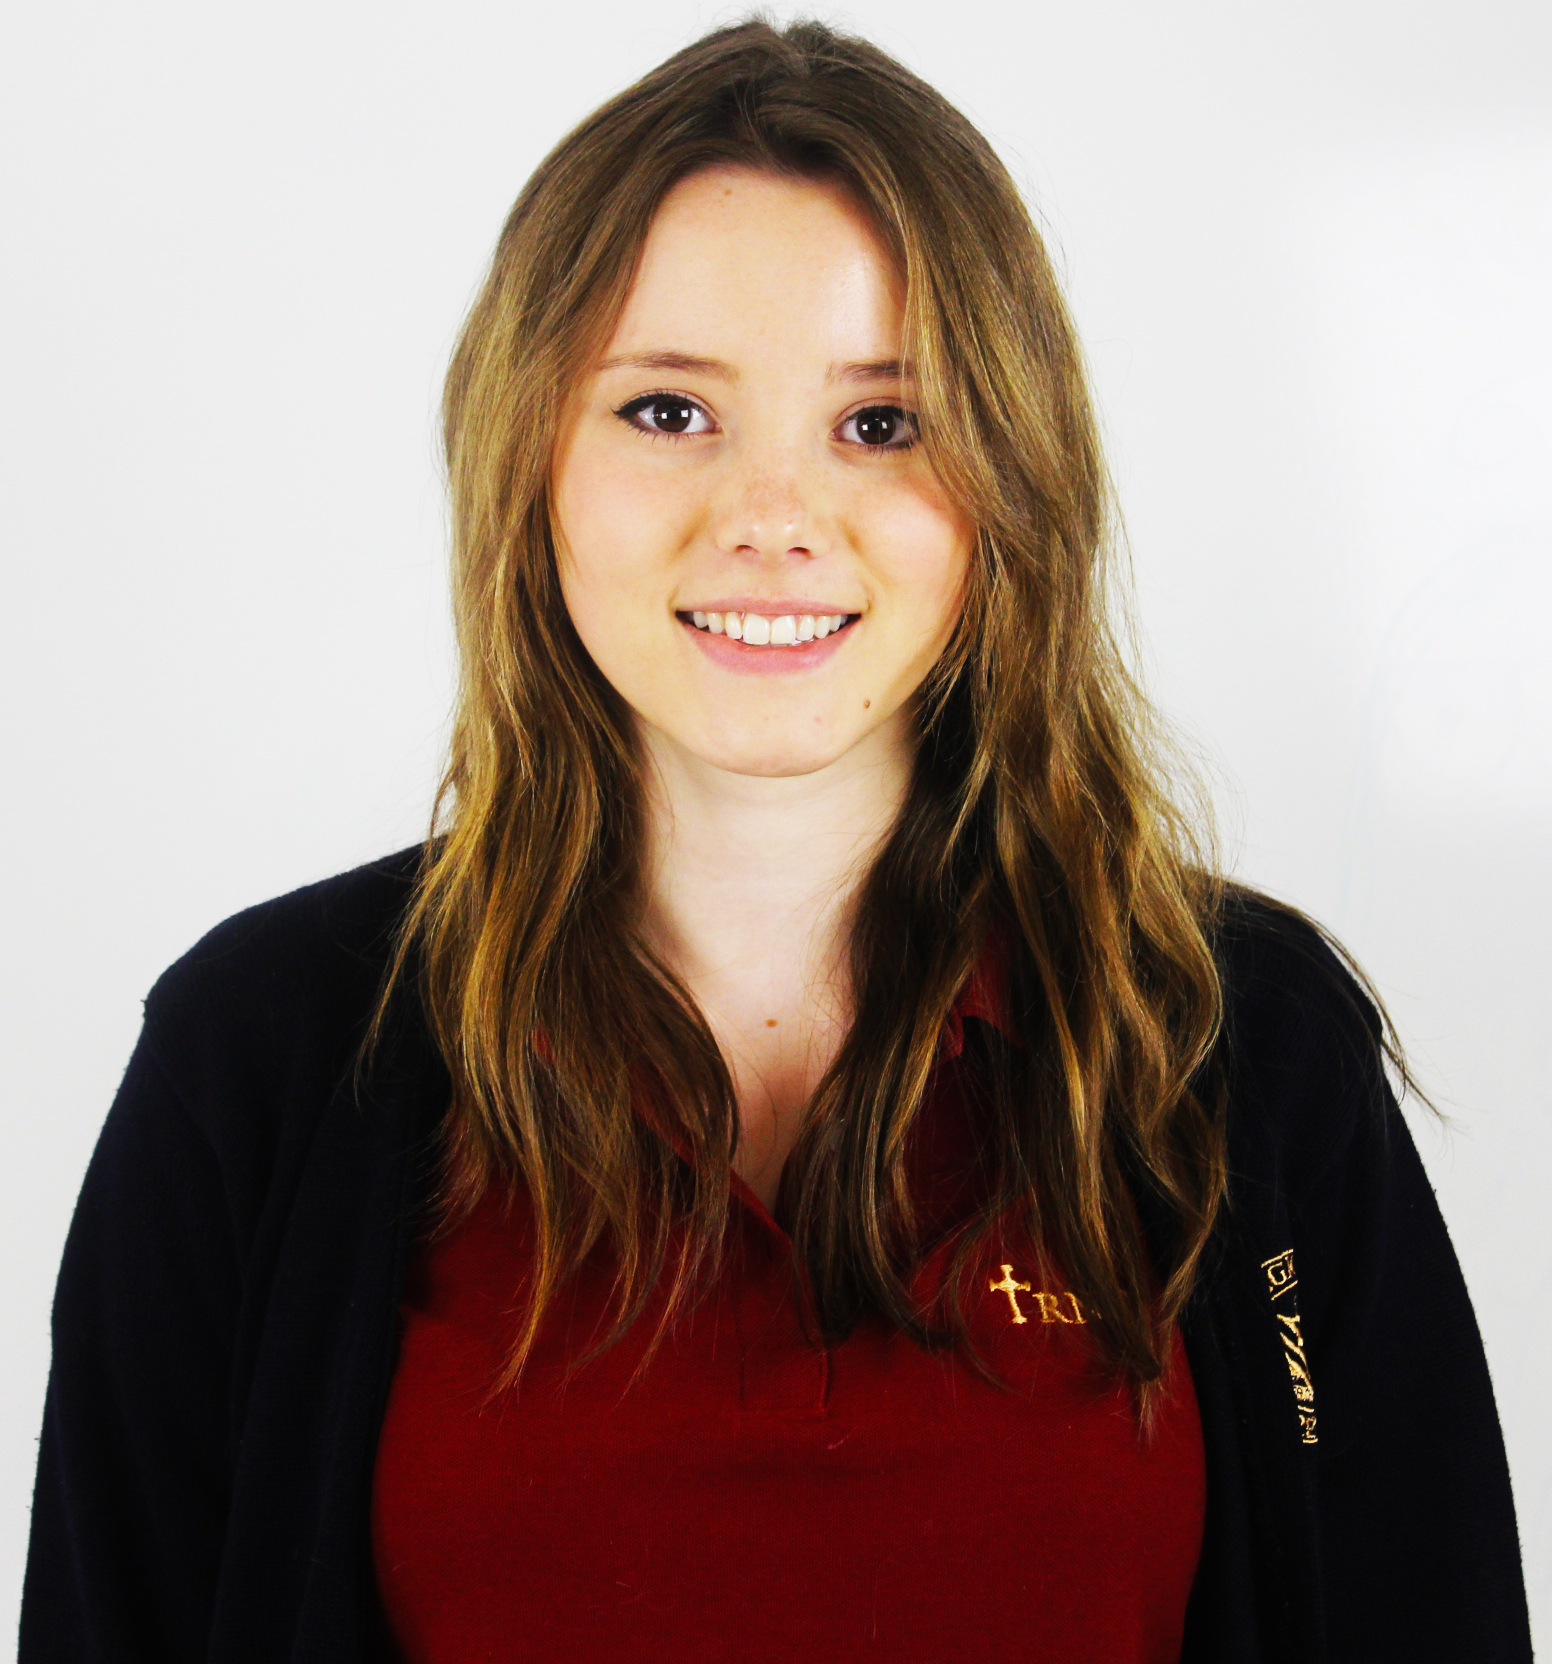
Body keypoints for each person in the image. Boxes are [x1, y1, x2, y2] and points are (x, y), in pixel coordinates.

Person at [20, 18, 1531, 1664]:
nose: (771, 518)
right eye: (669, 409)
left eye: (883, 424)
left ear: (1013, 480)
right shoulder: (261, 1056)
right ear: (528, 457)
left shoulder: (1243, 1044)